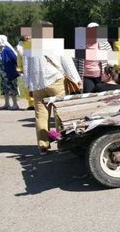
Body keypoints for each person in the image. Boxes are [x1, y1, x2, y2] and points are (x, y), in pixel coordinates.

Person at [24, 22, 82, 154]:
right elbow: (67, 63)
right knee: (59, 115)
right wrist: (77, 80)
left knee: (41, 117)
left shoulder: (29, 46)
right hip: (56, 81)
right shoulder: (55, 44)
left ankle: (43, 146)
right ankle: (62, 144)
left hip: (38, 85)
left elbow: (27, 69)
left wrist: (29, 85)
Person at [74, 22, 113, 93]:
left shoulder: (104, 43)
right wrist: (78, 80)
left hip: (101, 77)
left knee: (101, 94)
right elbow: (76, 62)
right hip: (86, 76)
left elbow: (111, 59)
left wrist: (110, 74)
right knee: (88, 93)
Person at [0, 35, 20, 110]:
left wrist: (18, 69)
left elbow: (15, 59)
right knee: (5, 89)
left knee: (12, 88)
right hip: (3, 74)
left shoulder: (7, 50)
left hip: (10, 73)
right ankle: (6, 104)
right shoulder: (0, 51)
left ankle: (15, 104)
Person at [16, 35, 34, 110]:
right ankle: (32, 104)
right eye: (27, 37)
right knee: (28, 87)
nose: (28, 38)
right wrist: (20, 68)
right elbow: (19, 59)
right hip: (27, 69)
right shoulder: (21, 47)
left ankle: (39, 103)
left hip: (37, 69)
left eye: (30, 37)